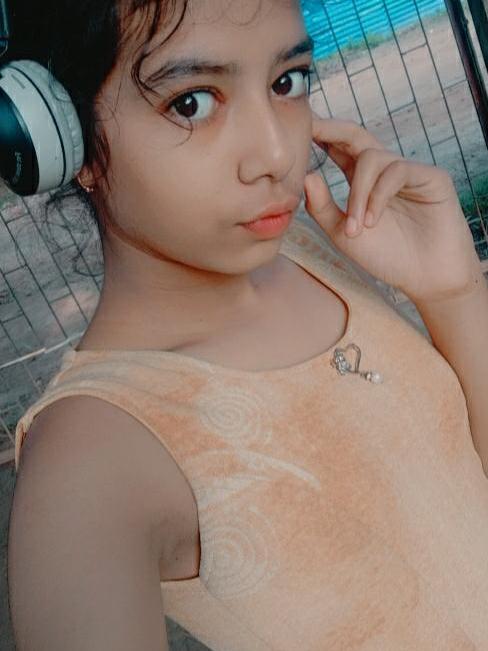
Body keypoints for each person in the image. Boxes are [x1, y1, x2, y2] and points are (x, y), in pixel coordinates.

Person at [5, 0, 488, 649]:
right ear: (71, 141)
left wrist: (454, 292)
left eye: (286, 82)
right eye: (191, 103)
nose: (278, 154)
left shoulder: (311, 251)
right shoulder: (92, 457)